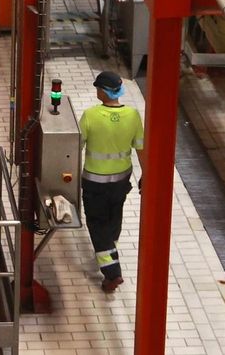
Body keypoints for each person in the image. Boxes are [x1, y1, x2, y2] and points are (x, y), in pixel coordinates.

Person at [79, 71, 144, 293]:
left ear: (103, 92)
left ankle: (112, 273)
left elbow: (73, 147)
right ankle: (110, 246)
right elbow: (141, 147)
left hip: (95, 183)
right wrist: (146, 174)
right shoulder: (133, 115)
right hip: (121, 180)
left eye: (98, 88)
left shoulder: (90, 116)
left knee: (97, 225)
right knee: (114, 216)